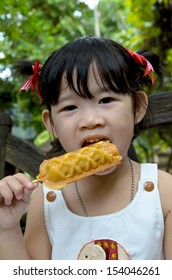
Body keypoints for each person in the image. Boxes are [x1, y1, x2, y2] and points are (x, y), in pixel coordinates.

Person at [0, 36, 172, 260]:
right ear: (51, 123)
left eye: (106, 100)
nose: (91, 120)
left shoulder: (163, 192)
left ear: (137, 107)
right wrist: (7, 228)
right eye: (70, 106)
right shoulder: (47, 201)